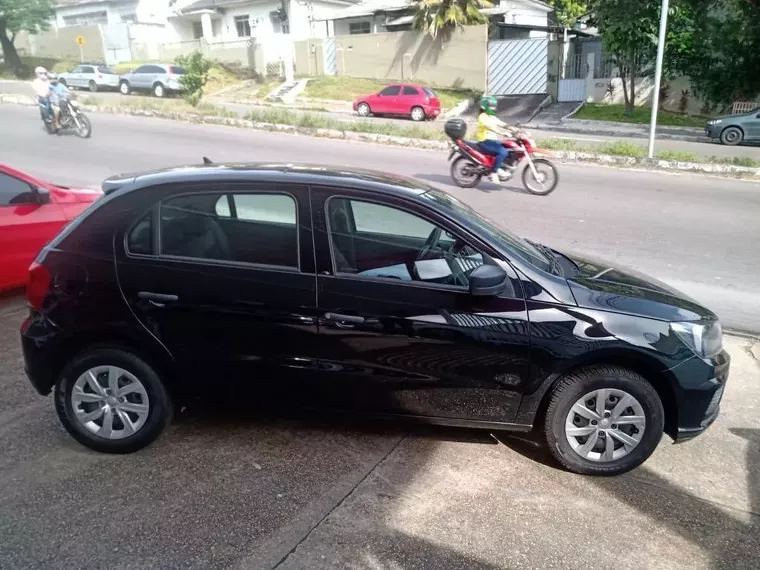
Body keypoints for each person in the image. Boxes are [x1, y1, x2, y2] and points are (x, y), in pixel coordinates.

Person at [474, 95, 519, 184]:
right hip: (484, 141)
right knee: (503, 152)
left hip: (492, 141)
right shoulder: (482, 116)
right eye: (491, 106)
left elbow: (501, 123)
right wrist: (501, 132)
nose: (493, 108)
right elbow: (489, 126)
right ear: (484, 106)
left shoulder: (491, 116)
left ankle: (501, 168)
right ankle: (493, 172)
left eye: (494, 106)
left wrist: (513, 128)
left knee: (509, 149)